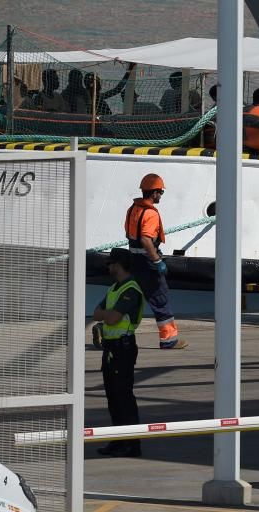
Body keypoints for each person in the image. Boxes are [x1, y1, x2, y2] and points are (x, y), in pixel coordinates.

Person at [93, 247, 146, 457]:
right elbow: (98, 313)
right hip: (111, 349)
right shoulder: (115, 288)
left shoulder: (131, 289)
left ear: (118, 265)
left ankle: (131, 443)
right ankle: (119, 439)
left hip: (123, 349)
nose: (108, 267)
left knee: (123, 397)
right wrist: (107, 315)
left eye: (110, 264)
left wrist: (106, 315)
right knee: (113, 397)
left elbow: (112, 318)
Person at [125, 173, 187, 349]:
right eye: (160, 192)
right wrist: (157, 261)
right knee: (160, 299)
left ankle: (108, 329)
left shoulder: (133, 209)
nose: (161, 195)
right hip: (147, 264)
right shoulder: (150, 213)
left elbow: (129, 234)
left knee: (132, 299)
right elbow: (146, 239)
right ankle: (169, 340)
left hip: (133, 262)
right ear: (153, 193)